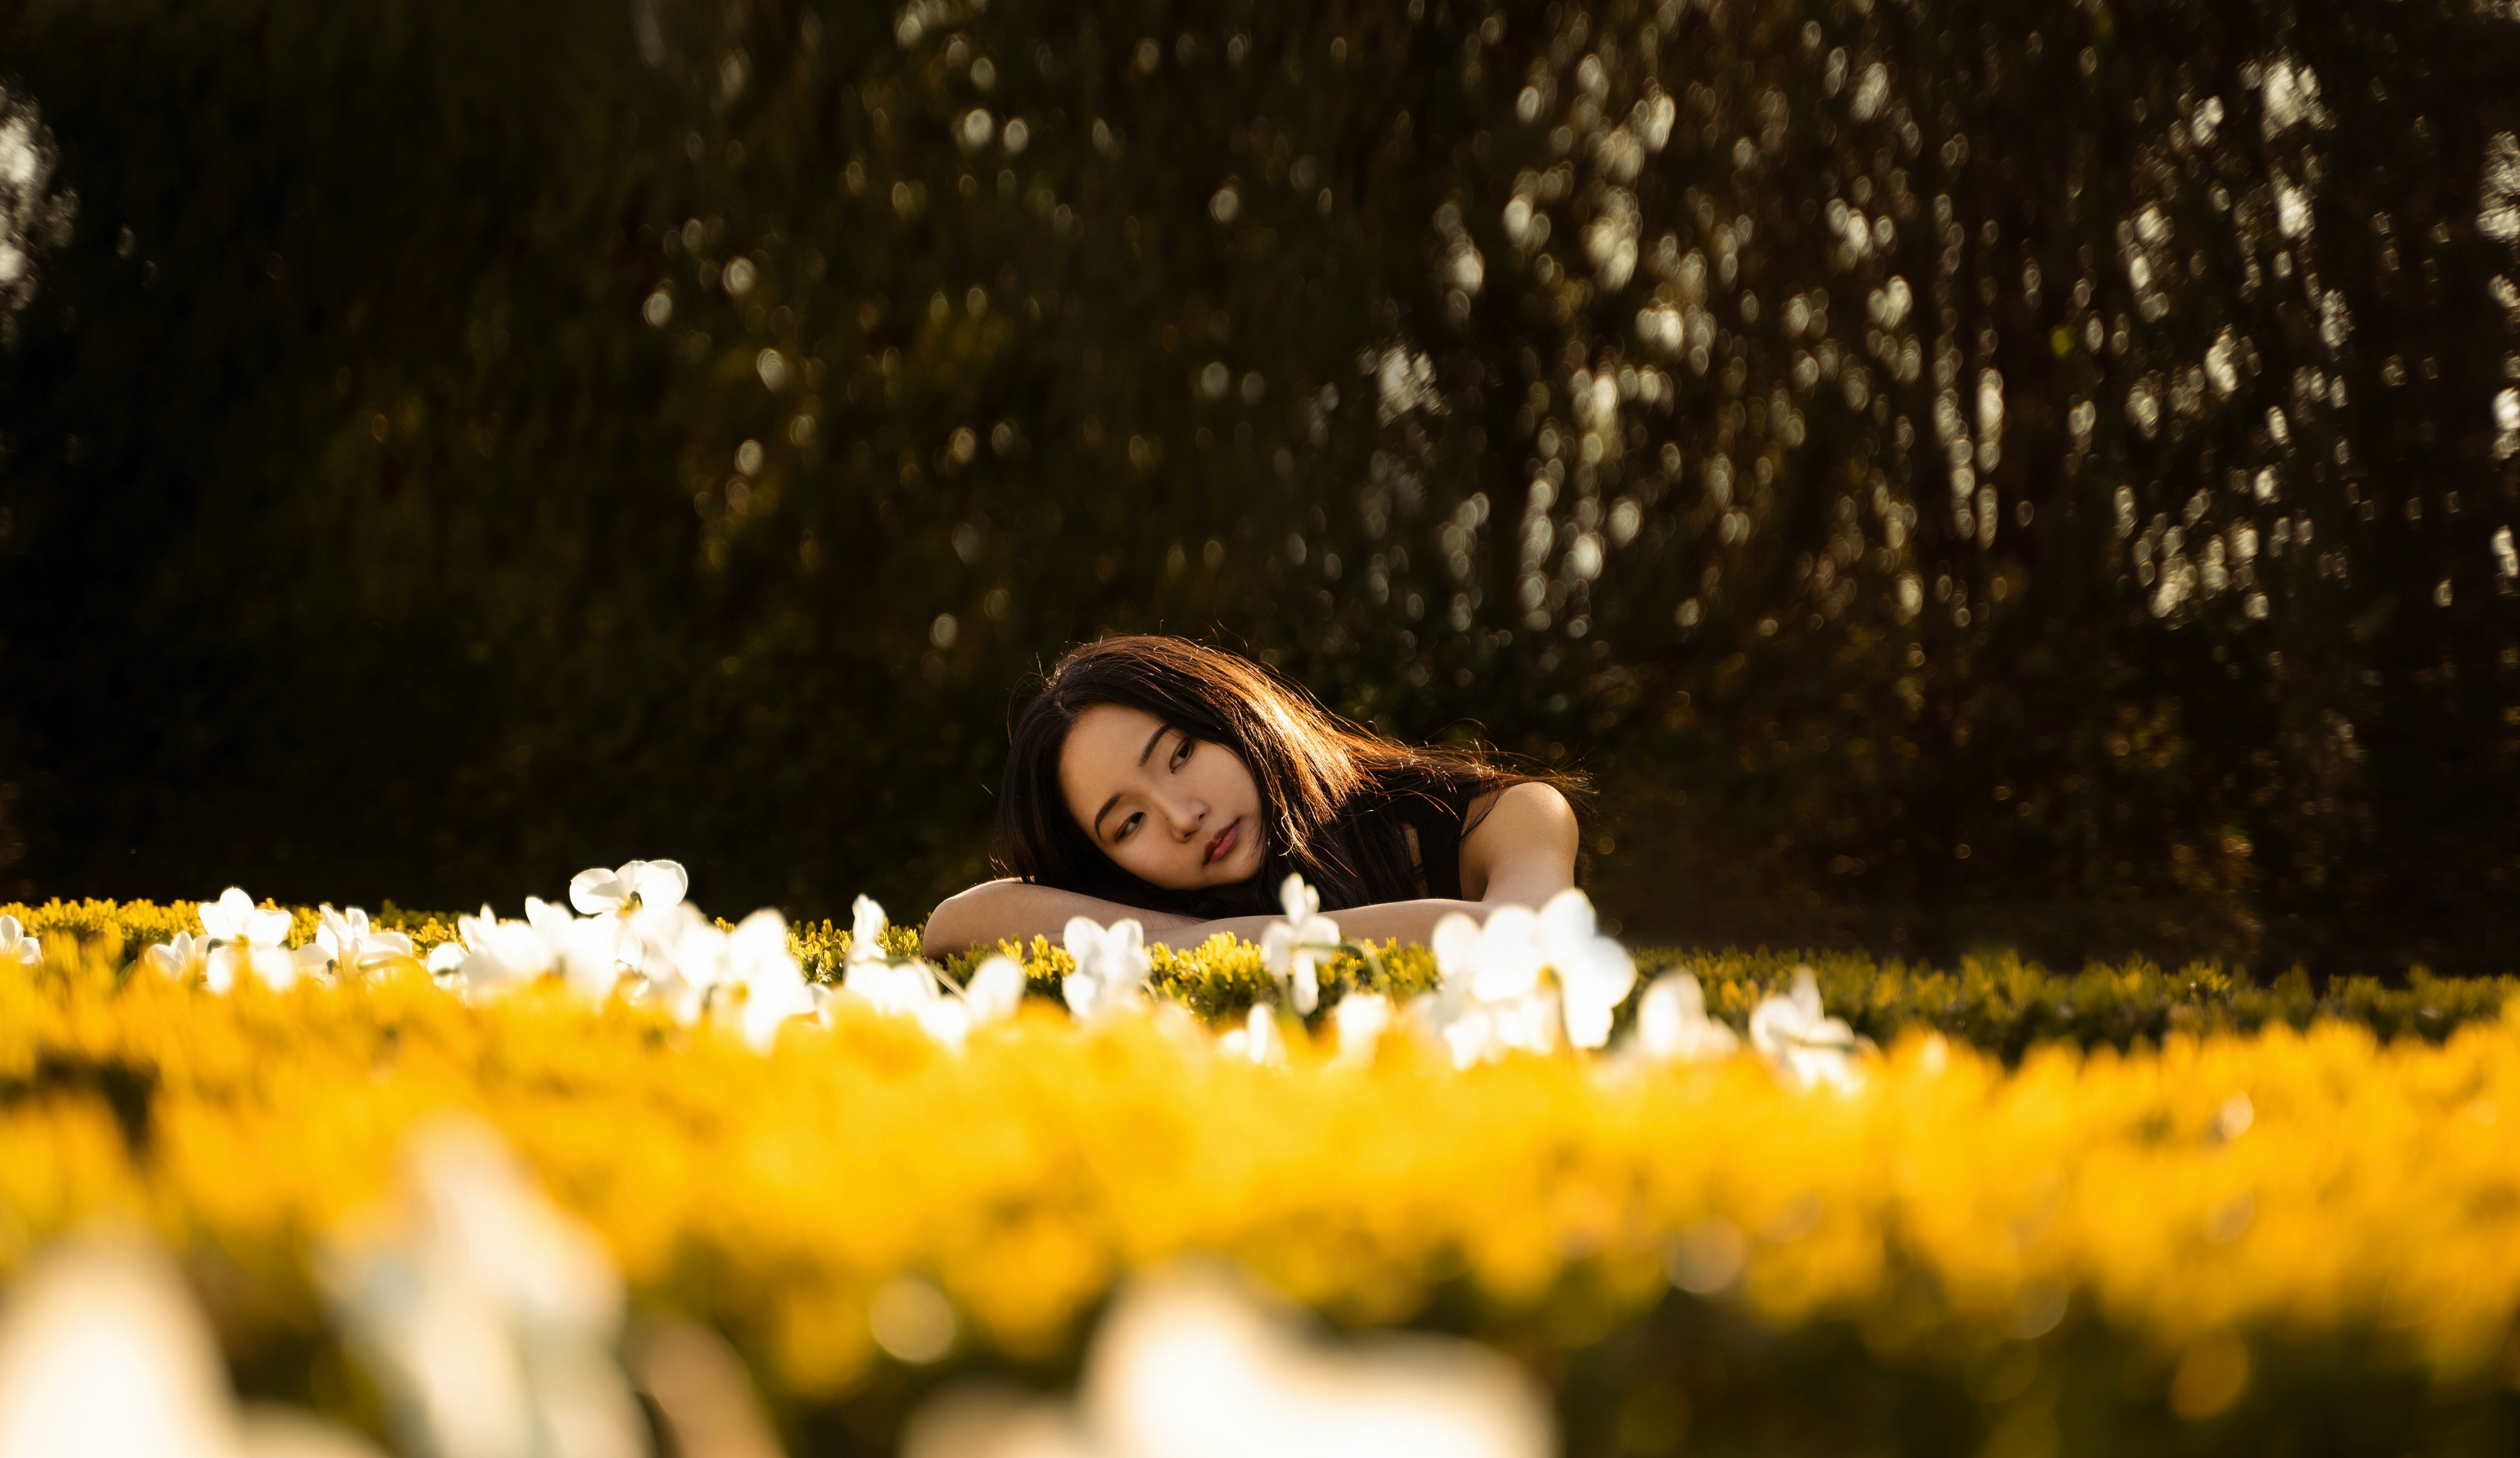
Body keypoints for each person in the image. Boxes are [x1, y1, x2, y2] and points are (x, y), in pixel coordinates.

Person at [922, 636, 1585, 957]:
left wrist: (1202, 945)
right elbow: (956, 926)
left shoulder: (1505, 814)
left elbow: (1527, 941)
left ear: (1233, 715)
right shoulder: (1163, 897)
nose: (1182, 817)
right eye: (1128, 824)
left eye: (1181, 755)